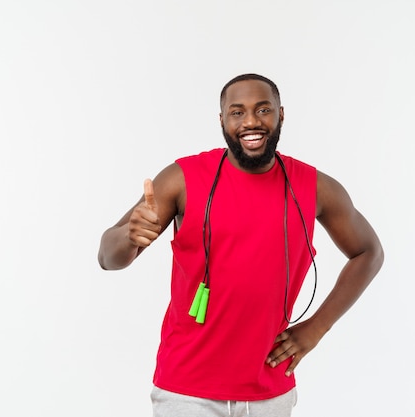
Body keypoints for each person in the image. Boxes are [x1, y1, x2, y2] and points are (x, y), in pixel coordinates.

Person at [98, 73, 384, 417]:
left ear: (280, 114)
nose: (251, 121)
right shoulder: (182, 179)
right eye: (237, 112)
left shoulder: (316, 187)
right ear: (222, 120)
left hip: (270, 391)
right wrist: (129, 238)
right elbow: (107, 257)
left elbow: (369, 252)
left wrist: (316, 327)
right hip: (186, 391)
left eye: (263, 110)